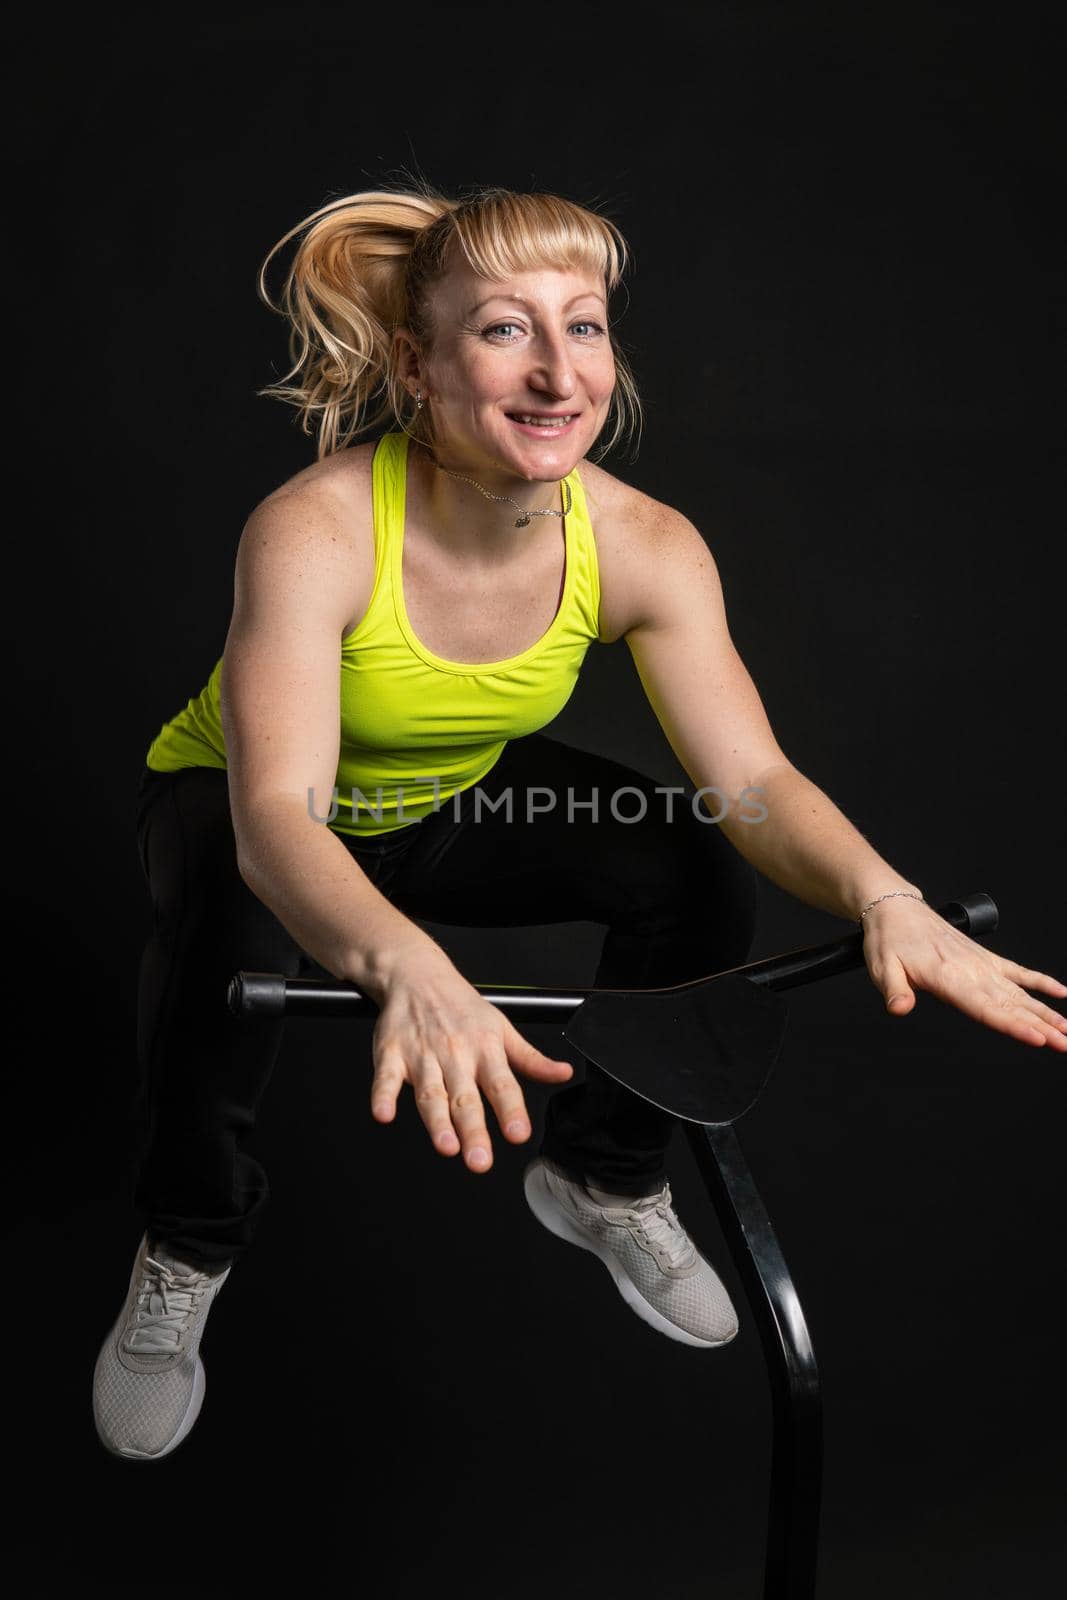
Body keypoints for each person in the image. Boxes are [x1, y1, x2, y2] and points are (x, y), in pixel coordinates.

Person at [93, 182, 1067, 1463]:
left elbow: (758, 781)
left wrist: (885, 893)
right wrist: (405, 962)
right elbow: (278, 812)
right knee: (218, 984)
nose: (558, 373)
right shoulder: (316, 528)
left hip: (438, 801)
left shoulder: (644, 544)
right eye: (504, 330)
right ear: (418, 362)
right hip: (248, 804)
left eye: (586, 327)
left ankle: (602, 1174)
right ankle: (185, 1247)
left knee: (691, 858)